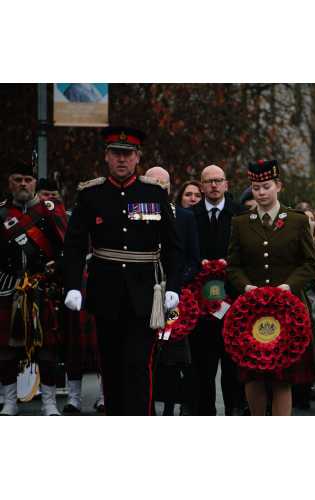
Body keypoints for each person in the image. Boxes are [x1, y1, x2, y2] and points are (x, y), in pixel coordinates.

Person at [63, 127, 182, 416]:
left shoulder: (153, 193)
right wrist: (73, 286)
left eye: (127, 154)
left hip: (144, 295)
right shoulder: (91, 194)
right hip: (106, 292)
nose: (121, 160)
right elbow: (75, 245)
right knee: (111, 366)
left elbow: (172, 246)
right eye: (116, 153)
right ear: (106, 156)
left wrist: (174, 287)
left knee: (138, 365)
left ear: (137, 157)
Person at [227, 159, 315, 416]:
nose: (261, 192)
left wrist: (290, 286)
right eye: (256, 188)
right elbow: (233, 266)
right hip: (251, 311)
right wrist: (246, 288)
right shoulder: (241, 223)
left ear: (279, 186)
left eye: (266, 186)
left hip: (287, 311)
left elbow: (310, 263)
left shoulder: (297, 221)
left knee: (282, 377)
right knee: (253, 376)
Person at [0, 162, 68, 416]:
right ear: (10, 183)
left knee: (47, 349)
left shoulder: (50, 211)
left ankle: (49, 403)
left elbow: (68, 248)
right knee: (6, 350)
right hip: (8, 287)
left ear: (34, 183)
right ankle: (10, 402)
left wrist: (57, 268)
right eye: (17, 179)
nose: (23, 184)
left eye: (28, 179)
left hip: (44, 286)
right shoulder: (2, 214)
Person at [145, 166, 200, 416]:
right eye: (152, 182)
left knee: (172, 352)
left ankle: (170, 405)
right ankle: (145, 404)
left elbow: (193, 258)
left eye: (162, 183)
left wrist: (176, 285)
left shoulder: (185, 217)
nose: (158, 187)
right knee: (146, 352)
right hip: (144, 292)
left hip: (174, 299)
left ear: (169, 187)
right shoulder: (138, 212)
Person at [190, 164, 244, 415]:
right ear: (201, 186)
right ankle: (204, 413)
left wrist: (228, 266)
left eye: (218, 180)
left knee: (233, 364)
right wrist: (198, 266)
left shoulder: (240, 215)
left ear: (226, 184)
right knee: (203, 366)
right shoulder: (190, 215)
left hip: (233, 301)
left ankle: (233, 410)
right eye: (208, 181)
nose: (213, 185)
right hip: (199, 304)